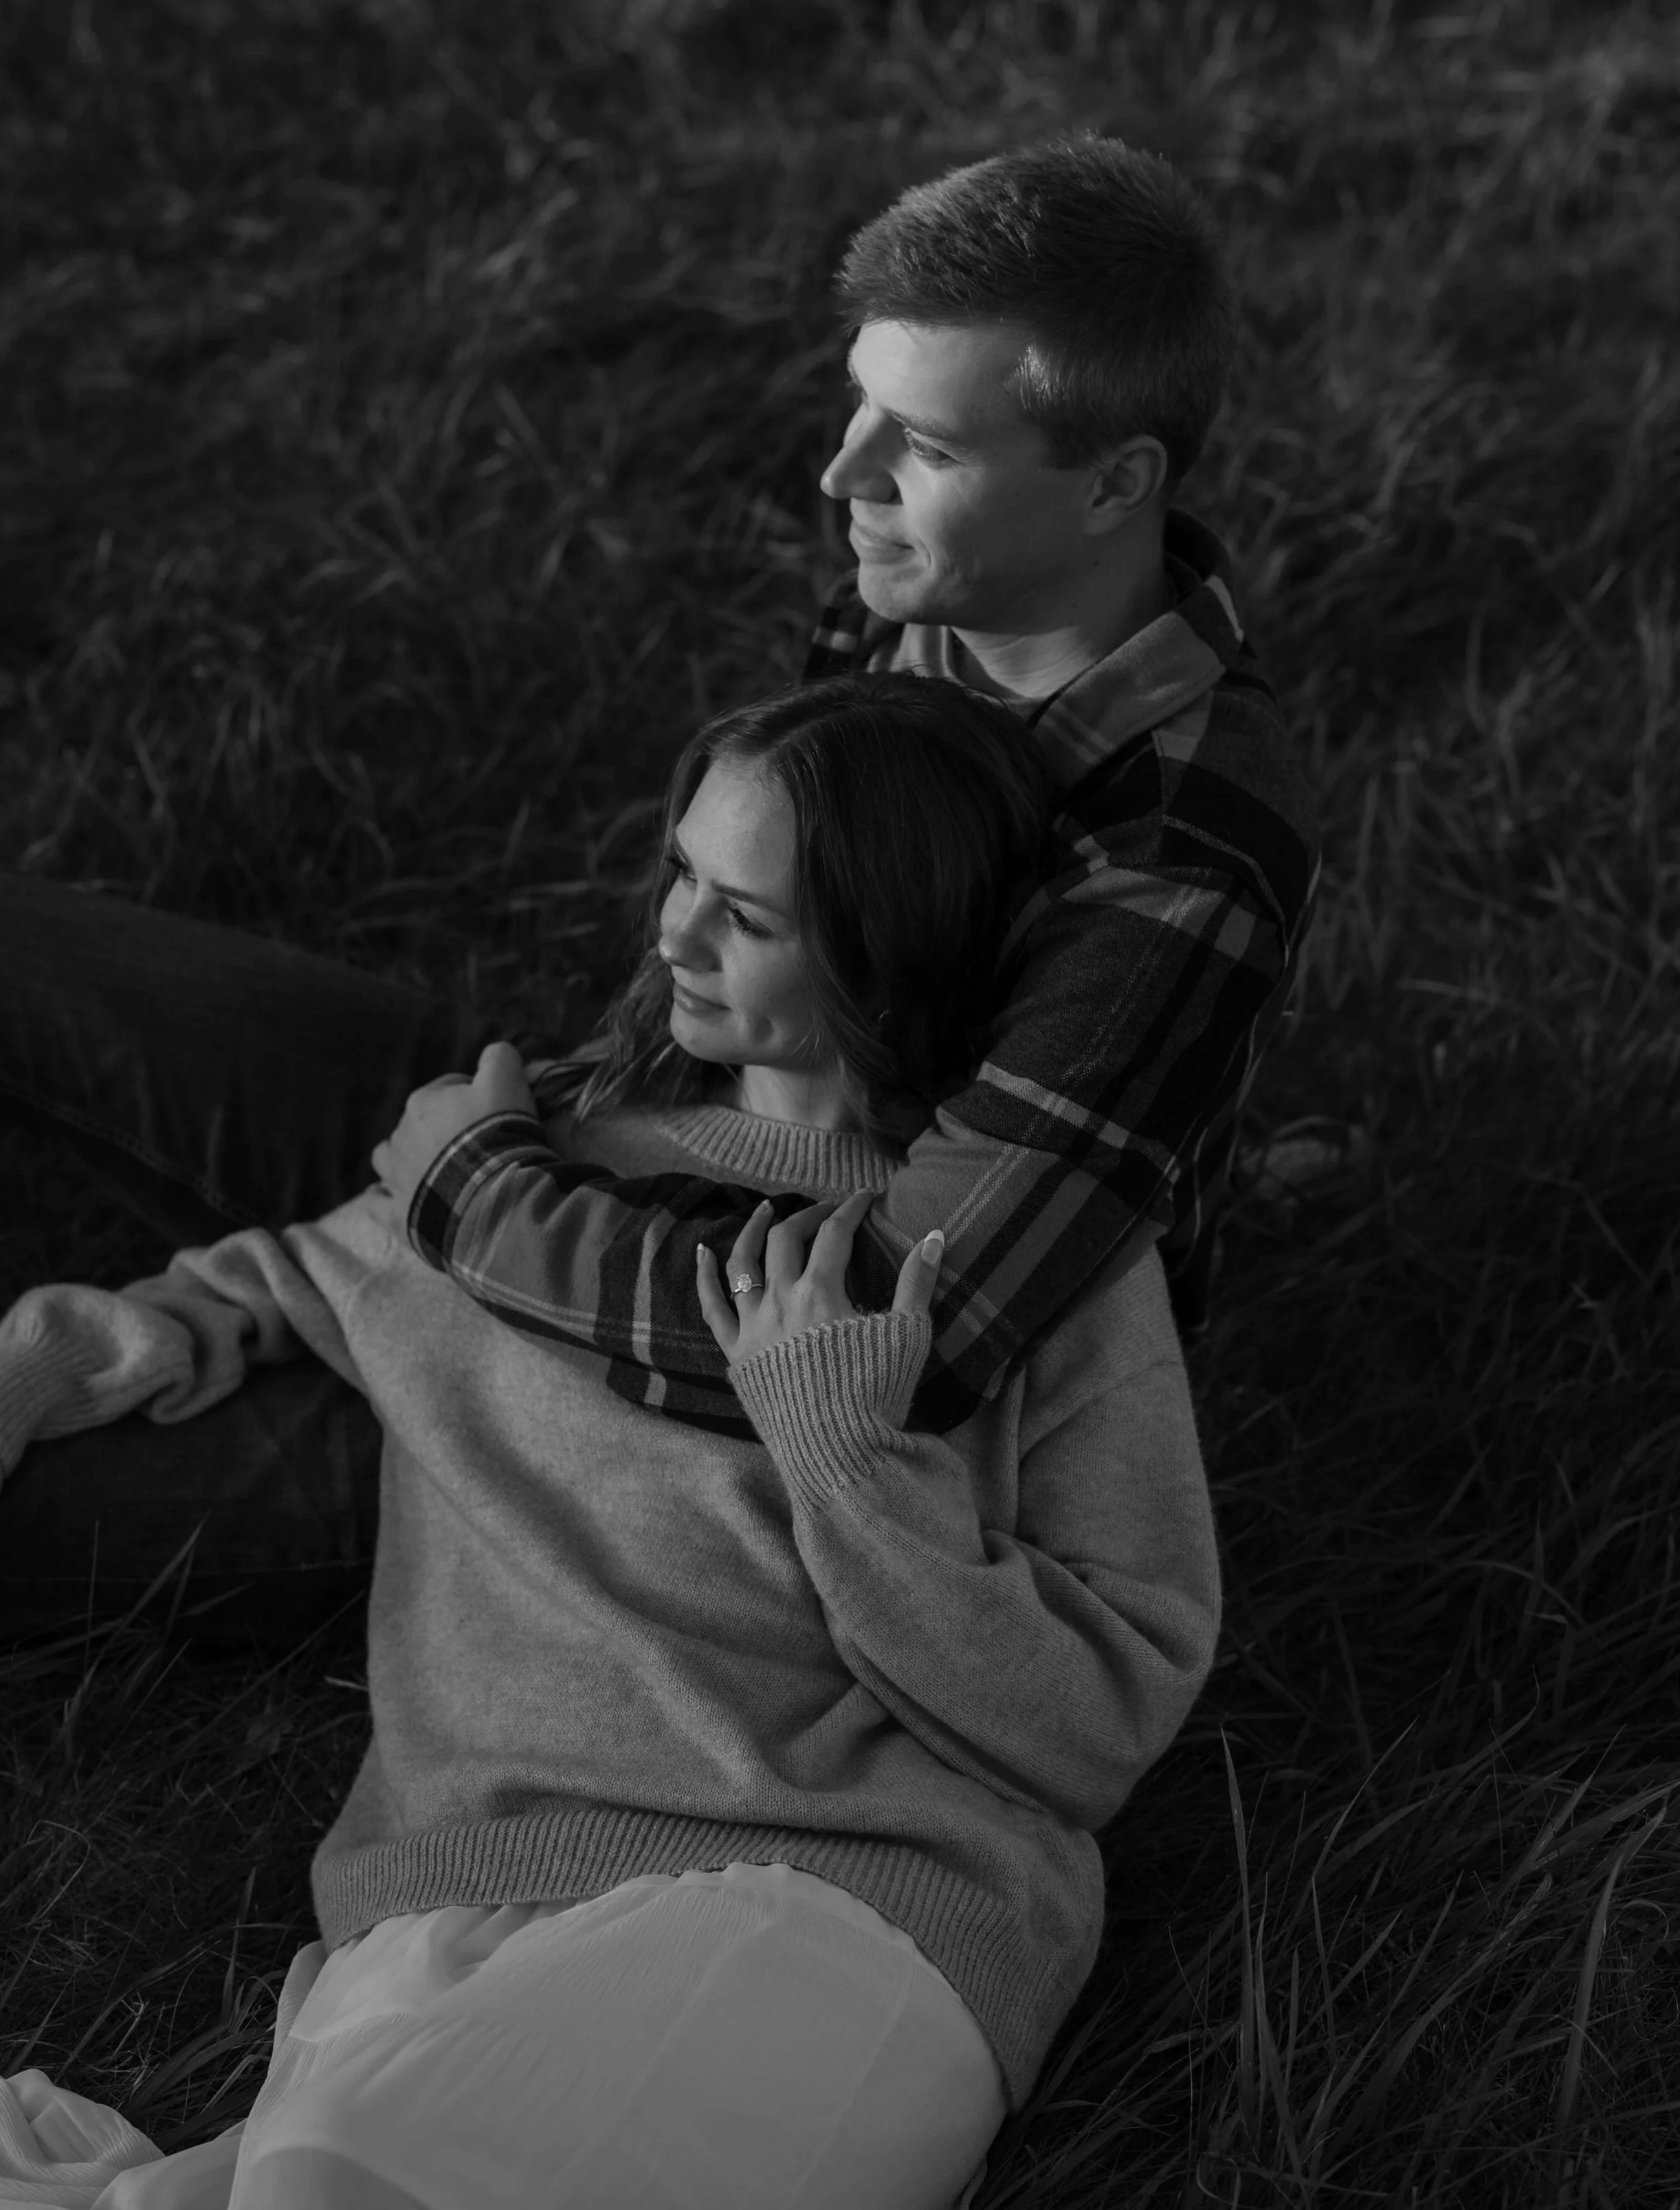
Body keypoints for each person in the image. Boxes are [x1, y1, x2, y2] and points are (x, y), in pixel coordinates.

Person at [0, 133, 1318, 1640]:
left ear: (1116, 483)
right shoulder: (915, 609)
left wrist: (470, 1198)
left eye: (928, 451)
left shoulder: (1181, 838)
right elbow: (721, 973)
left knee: (51, 1514)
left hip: (739, 1397)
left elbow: (908, 1337)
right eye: (859, 409)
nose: (845, 478)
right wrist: (539, 1136)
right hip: (627, 1135)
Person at [0, 674, 1223, 2210]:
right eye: (680, 876)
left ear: (887, 958)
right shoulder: (543, 1157)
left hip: (832, 1899)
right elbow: (265, 1285)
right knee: (318, 2176)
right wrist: (36, 1364)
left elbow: (1091, 1729)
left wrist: (849, 1460)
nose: (672, 938)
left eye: (746, 917)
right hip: (443, 1901)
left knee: (328, 2186)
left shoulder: (1022, 1263)